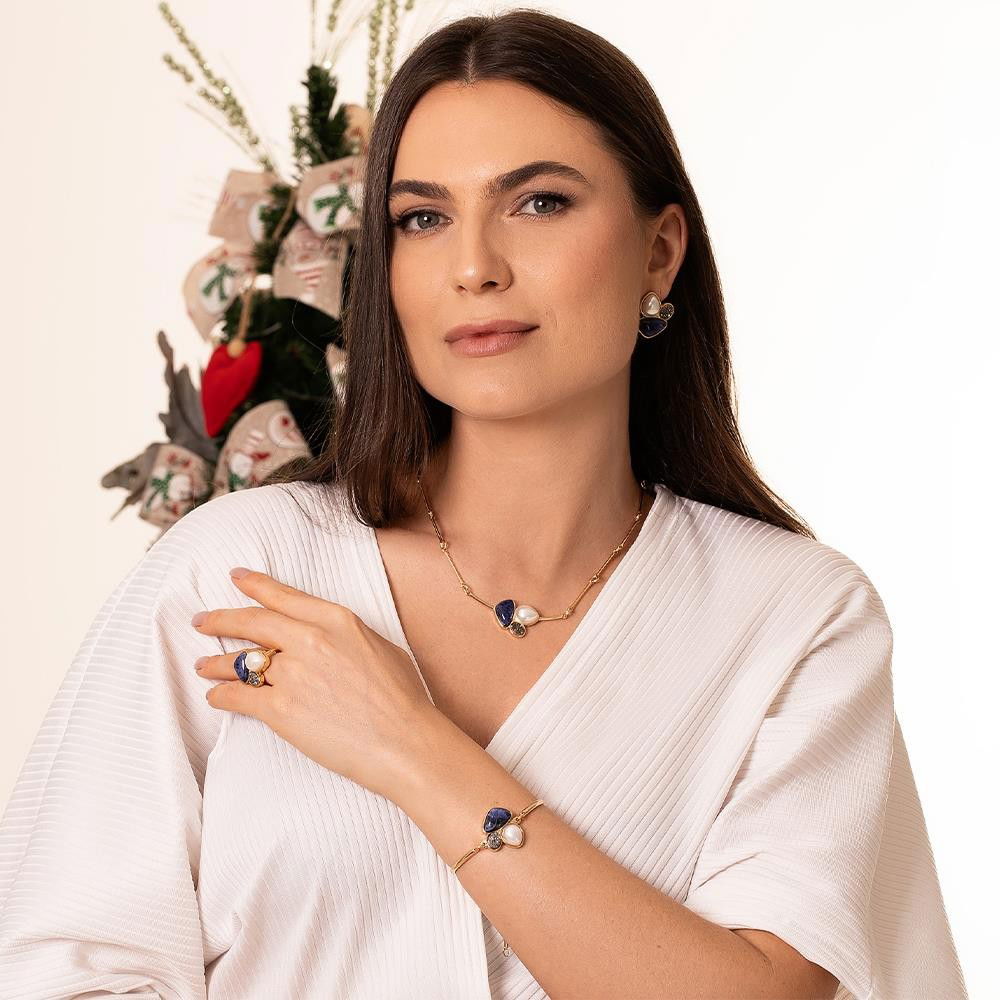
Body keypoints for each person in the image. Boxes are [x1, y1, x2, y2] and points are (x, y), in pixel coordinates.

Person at [0, 9, 967, 1000]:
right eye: (422, 219)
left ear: (659, 251)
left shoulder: (794, 619)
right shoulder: (238, 578)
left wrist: (412, 748)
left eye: (539, 203)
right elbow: (63, 969)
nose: (474, 266)